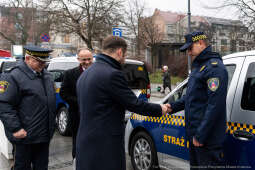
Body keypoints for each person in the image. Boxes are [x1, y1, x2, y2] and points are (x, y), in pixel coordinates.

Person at [76, 35, 169, 170]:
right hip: (105, 148)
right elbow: (134, 104)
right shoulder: (112, 74)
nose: (124, 59)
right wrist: (160, 109)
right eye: (125, 55)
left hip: (85, 144)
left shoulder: (85, 74)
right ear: (120, 52)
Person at [168, 31, 228, 170]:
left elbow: (215, 105)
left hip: (206, 141)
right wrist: (171, 107)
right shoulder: (200, 67)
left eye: (190, 48)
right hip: (196, 137)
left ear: (200, 43)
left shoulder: (214, 68)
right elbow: (191, 97)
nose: (188, 52)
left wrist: (200, 135)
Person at [0, 45, 56, 170]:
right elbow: (4, 104)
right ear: (28, 58)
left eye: (45, 62)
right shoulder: (13, 76)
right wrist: (16, 128)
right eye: (39, 61)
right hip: (24, 136)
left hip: (43, 135)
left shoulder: (46, 75)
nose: (43, 65)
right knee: (22, 167)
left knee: (42, 166)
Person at [59, 48, 93, 164]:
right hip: (77, 115)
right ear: (78, 59)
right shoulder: (69, 74)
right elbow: (63, 93)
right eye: (84, 59)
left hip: (95, 116)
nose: (87, 62)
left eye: (89, 59)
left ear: (92, 58)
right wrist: (80, 102)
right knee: (78, 141)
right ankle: (77, 163)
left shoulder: (98, 72)